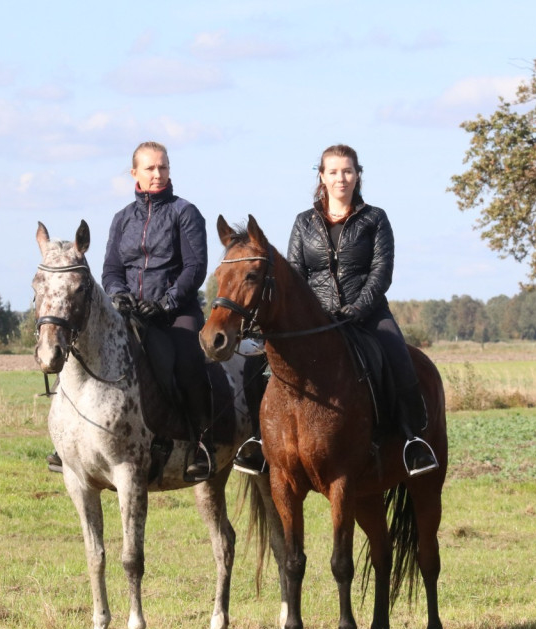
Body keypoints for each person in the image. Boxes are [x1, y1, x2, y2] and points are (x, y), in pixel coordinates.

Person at [236, 143, 438, 477]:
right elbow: (296, 277)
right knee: (256, 365)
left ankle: (411, 441)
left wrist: (358, 308)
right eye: (333, 172)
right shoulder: (303, 223)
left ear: (358, 176)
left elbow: (381, 272)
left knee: (398, 355)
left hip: (367, 314)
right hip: (315, 321)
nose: (340, 178)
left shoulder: (375, 219)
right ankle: (259, 442)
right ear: (322, 177)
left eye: (347, 171)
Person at [101, 141, 215, 482]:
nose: (157, 174)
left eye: (162, 167)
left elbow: (195, 267)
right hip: (130, 312)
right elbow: (110, 269)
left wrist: (166, 302)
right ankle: (76, 444)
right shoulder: (121, 219)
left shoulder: (185, 212)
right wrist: (119, 295)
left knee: (187, 360)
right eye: (150, 168)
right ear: (134, 172)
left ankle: (202, 443)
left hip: (174, 312)